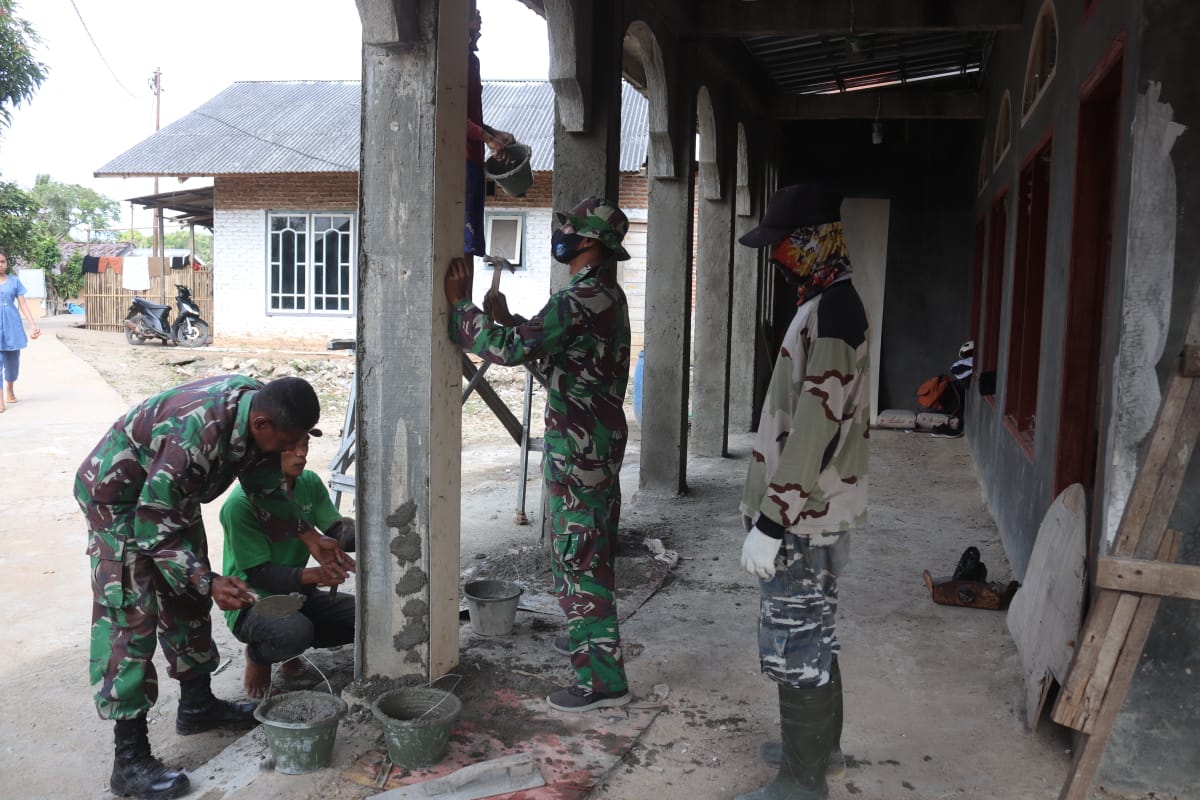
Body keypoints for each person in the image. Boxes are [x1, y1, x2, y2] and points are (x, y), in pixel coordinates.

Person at [75, 375, 355, 800]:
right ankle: (128, 760)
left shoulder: (258, 410)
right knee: (131, 619)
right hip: (121, 503)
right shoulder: (193, 438)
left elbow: (264, 486)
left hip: (172, 501)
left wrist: (309, 535)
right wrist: (209, 581)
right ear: (262, 424)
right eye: (288, 440)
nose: (292, 448)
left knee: (187, 602)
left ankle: (197, 706)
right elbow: (153, 529)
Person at [445, 196, 633, 713]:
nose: (563, 236)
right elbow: (561, 364)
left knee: (578, 555)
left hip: (579, 450)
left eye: (570, 228)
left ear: (589, 240)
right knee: (592, 545)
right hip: (595, 442)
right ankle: (588, 638)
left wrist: (463, 309)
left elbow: (509, 350)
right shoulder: (603, 297)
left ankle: (601, 681)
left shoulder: (580, 297)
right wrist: (511, 321)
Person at [734, 184, 870, 800]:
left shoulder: (835, 309)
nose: (778, 256)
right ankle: (821, 751)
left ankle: (801, 779)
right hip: (812, 509)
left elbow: (815, 428)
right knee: (815, 633)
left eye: (785, 244)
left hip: (804, 515)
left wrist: (771, 520)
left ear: (815, 240)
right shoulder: (821, 302)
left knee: (796, 641)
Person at [220, 430, 357, 699]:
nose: (302, 453)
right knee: (294, 631)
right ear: (266, 451)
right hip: (253, 601)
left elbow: (332, 529)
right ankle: (259, 655)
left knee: (366, 616)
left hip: (298, 595)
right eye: (290, 447)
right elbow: (260, 575)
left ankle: (290, 647)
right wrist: (318, 574)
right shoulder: (240, 505)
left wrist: (357, 530)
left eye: (305, 443)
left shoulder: (308, 482)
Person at [464, 7, 515, 257]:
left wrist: (493, 134)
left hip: (472, 162)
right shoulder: (453, 61)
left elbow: (470, 117)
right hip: (459, 163)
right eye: (474, 15)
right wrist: (488, 140)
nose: (480, 19)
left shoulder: (472, 61)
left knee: (472, 247)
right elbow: (450, 117)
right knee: (462, 243)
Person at [0, 250, 41, 412]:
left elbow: (23, 304)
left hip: (12, 325)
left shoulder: (14, 282)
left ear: (6, 263)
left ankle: (10, 388)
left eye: (2, 261)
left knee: (12, 364)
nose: (0, 265)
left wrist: (33, 324)